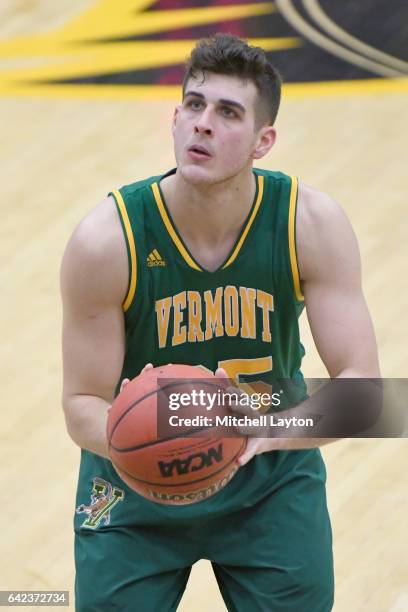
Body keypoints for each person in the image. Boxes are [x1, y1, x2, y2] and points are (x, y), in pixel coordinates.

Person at [61, 33, 380, 611]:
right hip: (132, 490)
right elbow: (81, 400)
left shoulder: (309, 224)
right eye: (193, 104)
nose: (202, 124)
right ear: (175, 116)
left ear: (264, 141)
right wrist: (147, 447)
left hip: (269, 482)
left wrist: (260, 436)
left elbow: (364, 393)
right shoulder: (107, 239)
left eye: (227, 112)